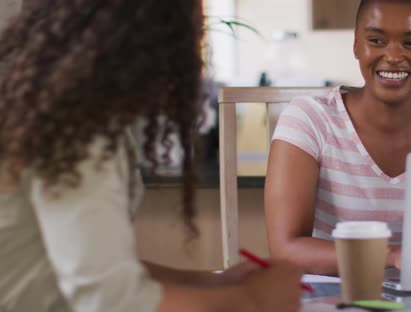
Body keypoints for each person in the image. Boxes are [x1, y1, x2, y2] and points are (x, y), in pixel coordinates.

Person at [0, 0, 302, 311]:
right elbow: (110, 301)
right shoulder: (76, 133)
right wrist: (252, 300)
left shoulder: (68, 113)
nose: (192, 59)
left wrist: (211, 281)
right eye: (189, 39)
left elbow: (99, 266)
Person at [264, 0, 411, 276]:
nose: (393, 56)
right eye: (377, 40)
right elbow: (286, 251)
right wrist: (391, 256)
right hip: (335, 297)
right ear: (357, 46)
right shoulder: (309, 118)